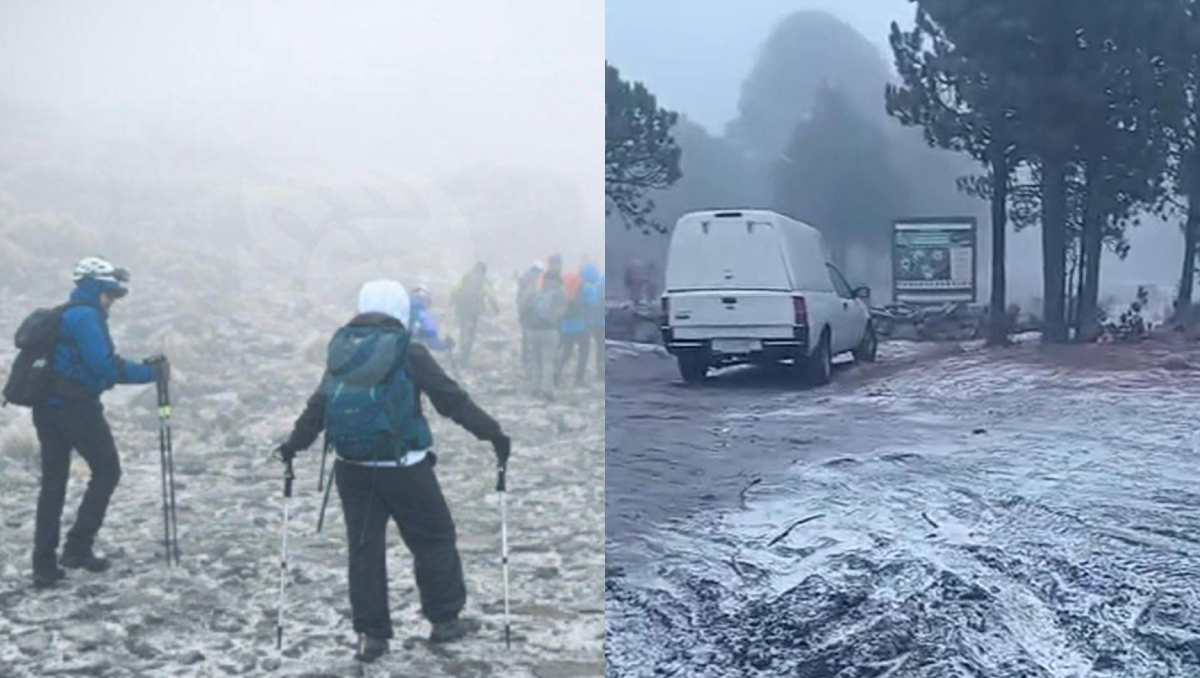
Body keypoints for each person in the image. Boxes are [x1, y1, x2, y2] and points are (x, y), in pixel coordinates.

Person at [277, 280, 511, 664]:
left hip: (352, 470)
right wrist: (493, 434)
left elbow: (318, 406)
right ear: (401, 308)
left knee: (365, 551)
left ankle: (371, 636)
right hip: (405, 469)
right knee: (434, 538)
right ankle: (444, 620)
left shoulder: (343, 353)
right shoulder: (409, 352)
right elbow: (451, 401)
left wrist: (293, 445)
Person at [31, 257, 166, 589]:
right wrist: (151, 373)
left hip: (45, 409)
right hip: (76, 409)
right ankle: (77, 548)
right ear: (99, 289)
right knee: (107, 471)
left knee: (53, 483)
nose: (113, 302)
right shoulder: (87, 316)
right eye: (112, 295)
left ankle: (44, 565)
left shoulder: (64, 313)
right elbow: (104, 366)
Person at [527, 269, 569, 397]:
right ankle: (547, 389)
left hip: (533, 331)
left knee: (536, 361)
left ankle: (534, 388)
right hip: (550, 331)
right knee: (548, 362)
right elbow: (561, 313)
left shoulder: (539, 293)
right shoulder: (559, 294)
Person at [451, 263, 499, 368]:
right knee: (471, 332)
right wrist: (496, 309)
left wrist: (452, 303)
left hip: (461, 308)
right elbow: (490, 295)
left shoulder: (466, 276)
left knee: (463, 330)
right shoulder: (483, 280)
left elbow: (455, 289)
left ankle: (462, 349)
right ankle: (465, 356)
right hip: (474, 310)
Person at [555, 268, 589, 387]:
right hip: (580, 327)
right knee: (584, 352)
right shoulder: (580, 290)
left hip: (566, 328)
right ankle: (579, 379)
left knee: (566, 352)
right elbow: (587, 304)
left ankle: (556, 374)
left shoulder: (562, 292)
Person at [411, 285, 454, 353]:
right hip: (412, 354)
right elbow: (432, 342)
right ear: (424, 300)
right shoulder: (424, 316)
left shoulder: (400, 310)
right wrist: (445, 345)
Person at [517, 261, 544, 368]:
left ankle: (524, 357)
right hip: (534, 312)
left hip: (524, 310)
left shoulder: (524, 278)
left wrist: (520, 313)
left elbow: (519, 298)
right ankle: (533, 357)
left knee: (525, 335)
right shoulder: (537, 280)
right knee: (535, 335)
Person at [581, 265, 605, 380]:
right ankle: (601, 371)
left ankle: (600, 371)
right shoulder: (600, 282)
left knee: (600, 347)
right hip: (602, 321)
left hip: (595, 322)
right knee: (602, 347)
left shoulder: (595, 284)